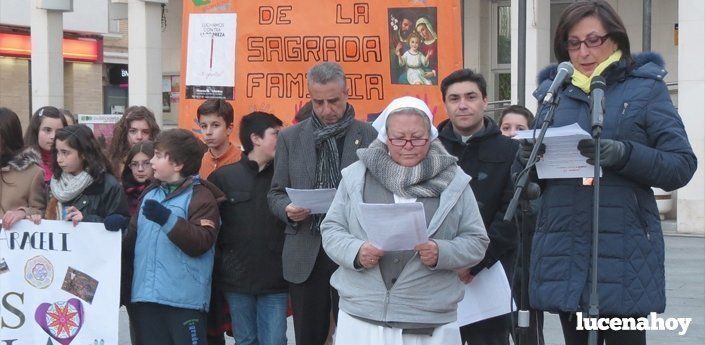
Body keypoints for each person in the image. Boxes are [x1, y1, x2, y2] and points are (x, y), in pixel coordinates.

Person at [520, 2, 696, 344]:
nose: (583, 51)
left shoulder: (645, 89)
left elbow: (681, 165)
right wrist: (528, 162)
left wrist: (624, 154)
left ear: (615, 40)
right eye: (574, 43)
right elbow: (531, 181)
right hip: (564, 248)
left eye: (593, 40)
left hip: (624, 251)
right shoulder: (553, 94)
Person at [320, 96, 489, 344]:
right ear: (385, 138)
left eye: (417, 138)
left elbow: (476, 241)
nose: (408, 145)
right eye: (398, 138)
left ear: (430, 138)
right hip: (363, 314)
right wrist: (357, 251)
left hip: (428, 317)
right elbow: (332, 229)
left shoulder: (454, 181)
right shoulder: (357, 176)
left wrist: (441, 252)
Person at [268, 61, 377, 345]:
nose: (327, 110)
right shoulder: (291, 137)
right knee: (309, 337)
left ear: (347, 92)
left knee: (356, 335)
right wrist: (288, 210)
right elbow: (275, 193)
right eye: (318, 102)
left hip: (353, 248)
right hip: (306, 250)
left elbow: (379, 191)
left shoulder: (369, 135)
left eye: (333, 101)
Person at [107, 128, 224, 344]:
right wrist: (118, 228)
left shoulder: (201, 197)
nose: (151, 161)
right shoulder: (150, 194)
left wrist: (167, 219)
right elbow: (132, 243)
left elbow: (202, 241)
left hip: (183, 302)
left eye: (159, 156)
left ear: (178, 164)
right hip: (145, 298)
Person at [436, 69, 518, 345]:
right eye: (454, 98)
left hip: (489, 275)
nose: (462, 105)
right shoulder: (429, 148)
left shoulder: (510, 151)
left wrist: (476, 262)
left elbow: (511, 213)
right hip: (436, 273)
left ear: (485, 100)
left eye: (471, 97)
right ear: (445, 104)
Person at [209, 112, 287, 345]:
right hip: (236, 281)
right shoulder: (223, 178)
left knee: (274, 341)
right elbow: (210, 228)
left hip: (276, 279)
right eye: (276, 134)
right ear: (256, 138)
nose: (282, 140)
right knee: (245, 340)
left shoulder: (285, 177)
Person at [498, 104, 545, 345]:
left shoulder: (539, 170)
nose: (512, 133)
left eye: (520, 128)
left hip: (527, 267)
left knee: (527, 332)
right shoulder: (493, 165)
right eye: (506, 127)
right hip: (497, 263)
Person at [44, 125, 129, 225]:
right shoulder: (54, 183)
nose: (59, 159)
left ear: (83, 153)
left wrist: (86, 219)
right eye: (57, 152)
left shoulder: (108, 185)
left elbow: (122, 227)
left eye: (65, 153)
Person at [0, 107, 45, 229]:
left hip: (12, 242)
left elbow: (41, 212)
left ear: (8, 138)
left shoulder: (33, 173)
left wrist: (23, 213)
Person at [108, 106, 160, 177]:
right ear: (124, 133)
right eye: (133, 131)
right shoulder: (111, 163)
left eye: (145, 132)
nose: (139, 137)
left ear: (152, 134)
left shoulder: (160, 164)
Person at [23, 106, 68, 185]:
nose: (53, 136)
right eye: (47, 130)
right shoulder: (22, 164)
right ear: (36, 131)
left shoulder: (73, 162)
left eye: (59, 131)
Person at [198, 99, 241, 178]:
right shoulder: (200, 161)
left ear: (229, 128)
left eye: (215, 125)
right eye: (204, 126)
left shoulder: (241, 160)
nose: (208, 132)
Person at [121, 141, 155, 216]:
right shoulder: (121, 192)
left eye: (146, 163)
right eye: (134, 164)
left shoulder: (162, 192)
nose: (140, 169)